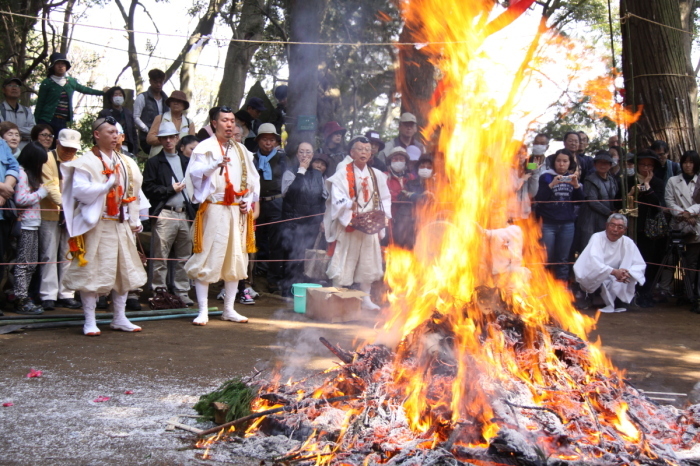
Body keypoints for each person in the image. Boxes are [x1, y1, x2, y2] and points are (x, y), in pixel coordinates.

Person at [61, 116, 147, 336]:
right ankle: (89, 320)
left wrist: (135, 219)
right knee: (91, 273)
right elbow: (80, 191)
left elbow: (136, 193)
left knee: (123, 272)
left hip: (120, 223)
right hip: (96, 224)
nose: (114, 136)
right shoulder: (85, 161)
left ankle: (119, 317)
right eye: (109, 132)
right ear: (97, 135)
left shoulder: (126, 162)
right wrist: (107, 184)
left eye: (116, 132)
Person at [183, 106, 260, 325]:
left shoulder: (242, 151)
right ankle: (203, 310)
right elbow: (193, 177)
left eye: (232, 121)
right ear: (214, 123)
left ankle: (229, 308)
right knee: (207, 256)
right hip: (215, 207)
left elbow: (254, 180)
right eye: (224, 120)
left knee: (235, 258)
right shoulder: (204, 148)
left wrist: (247, 199)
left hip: (237, 210)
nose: (229, 125)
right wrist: (213, 165)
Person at [324, 136, 392, 311]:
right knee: (344, 259)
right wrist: (348, 205)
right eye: (360, 149)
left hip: (369, 225)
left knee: (368, 261)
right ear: (352, 152)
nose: (364, 153)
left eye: (367, 150)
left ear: (371, 154)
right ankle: (336, 296)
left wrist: (381, 220)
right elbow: (336, 196)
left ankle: (366, 298)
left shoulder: (377, 175)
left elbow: (385, 199)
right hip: (350, 222)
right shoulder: (342, 173)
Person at [143, 122, 195, 305]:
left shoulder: (186, 161)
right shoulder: (154, 162)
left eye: (171, 137)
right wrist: (169, 189)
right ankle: (159, 290)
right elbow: (147, 188)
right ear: (160, 140)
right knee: (160, 255)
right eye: (164, 137)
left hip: (185, 213)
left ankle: (182, 291)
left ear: (176, 138)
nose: (168, 141)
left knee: (184, 256)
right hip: (165, 212)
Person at [38, 128, 82, 311]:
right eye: (66, 148)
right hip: (50, 212)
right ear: (57, 144)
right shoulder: (47, 159)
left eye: (73, 149)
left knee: (68, 253)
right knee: (48, 253)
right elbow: (50, 186)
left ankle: (66, 293)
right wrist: (65, 206)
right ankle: (48, 294)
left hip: (72, 215)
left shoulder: (79, 163)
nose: (69, 152)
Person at [574, 214, 646, 313]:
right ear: (606, 225)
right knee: (595, 273)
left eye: (620, 227)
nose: (615, 229)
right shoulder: (597, 237)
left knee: (631, 275)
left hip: (618, 276)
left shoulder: (628, 242)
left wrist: (626, 273)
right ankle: (587, 297)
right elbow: (592, 262)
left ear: (625, 229)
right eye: (612, 225)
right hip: (601, 274)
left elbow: (639, 264)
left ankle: (619, 301)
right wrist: (612, 271)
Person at [280, 141, 326, 292]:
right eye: (302, 152)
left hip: (311, 224)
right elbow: (290, 194)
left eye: (308, 152)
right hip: (293, 224)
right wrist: (301, 171)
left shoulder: (319, 175)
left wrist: (323, 220)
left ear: (312, 156)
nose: (305, 155)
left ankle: (304, 291)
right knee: (292, 257)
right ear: (297, 154)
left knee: (307, 259)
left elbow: (324, 199)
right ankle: (288, 290)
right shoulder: (290, 172)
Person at [534, 149, 583, 281]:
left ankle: (562, 287)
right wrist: (551, 184)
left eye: (565, 161)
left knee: (563, 258)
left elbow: (580, 201)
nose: (561, 164)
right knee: (546, 256)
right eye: (558, 161)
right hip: (548, 223)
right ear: (554, 162)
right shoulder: (546, 177)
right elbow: (539, 199)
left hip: (567, 223)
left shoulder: (572, 178)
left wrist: (576, 186)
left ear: (569, 163)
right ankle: (543, 284)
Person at [13, 142, 50, 314]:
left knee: (31, 264)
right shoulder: (21, 173)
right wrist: (41, 193)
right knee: (23, 263)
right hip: (25, 224)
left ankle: (24, 295)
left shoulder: (29, 175)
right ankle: (20, 299)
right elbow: (20, 199)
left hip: (33, 224)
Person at [626, 150, 665, 306]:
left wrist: (647, 186)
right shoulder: (628, 180)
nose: (645, 167)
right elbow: (617, 202)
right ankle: (627, 292)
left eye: (649, 165)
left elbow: (657, 205)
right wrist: (631, 193)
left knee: (647, 260)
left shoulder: (658, 182)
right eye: (642, 164)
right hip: (630, 227)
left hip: (648, 229)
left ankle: (644, 292)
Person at [35, 52, 104, 137]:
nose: (60, 66)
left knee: (59, 146)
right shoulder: (47, 82)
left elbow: (84, 89)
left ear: (66, 66)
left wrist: (103, 93)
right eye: (58, 64)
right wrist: (35, 123)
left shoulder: (70, 82)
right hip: (46, 120)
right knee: (45, 143)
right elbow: (40, 103)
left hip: (62, 121)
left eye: (63, 64)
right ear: (53, 66)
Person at [663, 150, 700, 307]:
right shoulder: (673, 180)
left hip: (696, 225)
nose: (688, 165)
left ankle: (690, 293)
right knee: (672, 259)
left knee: (691, 262)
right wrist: (682, 214)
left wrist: (690, 212)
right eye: (685, 162)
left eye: (691, 162)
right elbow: (669, 200)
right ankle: (667, 290)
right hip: (678, 224)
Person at [254, 123, 287, 293]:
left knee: (276, 241)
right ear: (258, 140)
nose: (268, 143)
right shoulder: (252, 158)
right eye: (265, 139)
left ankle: (273, 279)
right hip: (257, 203)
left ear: (276, 141)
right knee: (257, 239)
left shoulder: (283, 158)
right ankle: (253, 275)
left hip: (276, 201)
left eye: (271, 139)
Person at [577, 151, 619, 250]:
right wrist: (609, 212)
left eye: (606, 163)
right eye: (600, 162)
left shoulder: (612, 180)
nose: (603, 165)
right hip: (591, 220)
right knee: (591, 247)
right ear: (595, 164)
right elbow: (592, 201)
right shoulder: (590, 179)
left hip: (608, 219)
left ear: (610, 165)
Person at [146, 90, 195, 157]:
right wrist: (167, 140)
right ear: (169, 103)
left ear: (184, 105)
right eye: (173, 101)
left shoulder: (190, 123)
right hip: (159, 158)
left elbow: (192, 144)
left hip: (181, 160)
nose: (176, 103)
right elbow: (150, 139)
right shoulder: (160, 118)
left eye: (179, 101)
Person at [385, 146, 416, 247]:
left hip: (408, 220)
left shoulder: (411, 177)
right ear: (390, 161)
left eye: (401, 159)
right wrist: (399, 196)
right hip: (389, 218)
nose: (398, 161)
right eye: (395, 159)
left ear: (406, 162)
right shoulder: (384, 176)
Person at [133, 68, 169, 154]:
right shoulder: (142, 97)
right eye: (156, 82)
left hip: (164, 136)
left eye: (161, 82)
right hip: (146, 138)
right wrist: (147, 129)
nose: (158, 85)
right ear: (150, 81)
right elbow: (136, 117)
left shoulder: (166, 100)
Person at [99, 86, 139, 157]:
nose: (118, 97)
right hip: (110, 147)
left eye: (120, 95)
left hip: (127, 146)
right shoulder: (104, 113)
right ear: (111, 98)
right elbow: (99, 131)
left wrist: (135, 149)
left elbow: (133, 132)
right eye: (115, 95)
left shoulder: (128, 112)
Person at [0, 77, 36, 150]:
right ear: (3, 90)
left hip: (25, 149)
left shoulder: (26, 111)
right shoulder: (1, 110)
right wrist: (23, 133)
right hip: (5, 150)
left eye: (17, 86)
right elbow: (1, 130)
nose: (14, 88)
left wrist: (12, 132)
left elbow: (33, 130)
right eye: (10, 85)